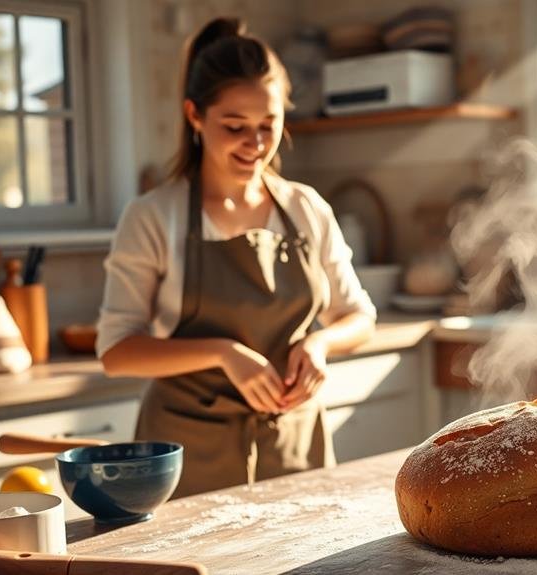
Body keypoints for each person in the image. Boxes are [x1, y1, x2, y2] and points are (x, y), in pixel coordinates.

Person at [96, 17, 376, 498]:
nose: (256, 144)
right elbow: (116, 351)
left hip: (294, 447)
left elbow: (359, 315)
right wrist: (224, 353)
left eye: (269, 125)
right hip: (187, 456)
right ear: (194, 116)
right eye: (235, 126)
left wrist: (319, 345)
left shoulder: (305, 208)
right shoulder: (152, 217)